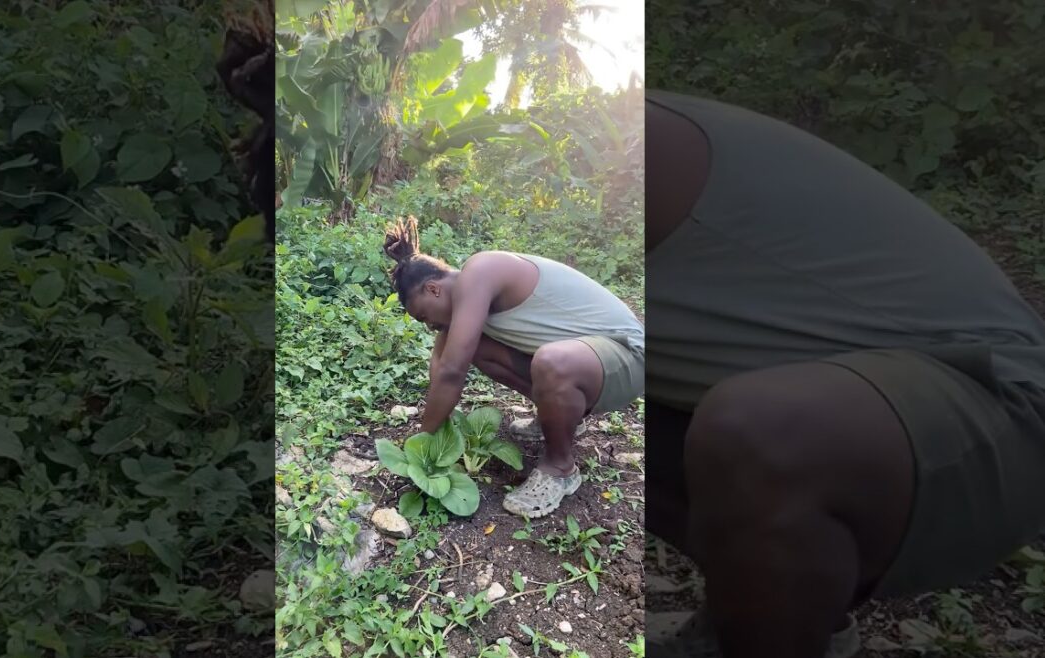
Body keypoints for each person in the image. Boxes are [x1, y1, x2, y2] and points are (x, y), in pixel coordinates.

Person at [648, 88, 1045, 658]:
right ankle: (769, 614)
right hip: (850, 399)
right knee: (573, 378)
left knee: (761, 429)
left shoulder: (628, 150)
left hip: (997, 407)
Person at [381, 216, 643, 518]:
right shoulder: (464, 309)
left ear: (433, 289)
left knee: (551, 361)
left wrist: (419, 446)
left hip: (628, 357)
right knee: (476, 347)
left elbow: (453, 372)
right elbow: (441, 370)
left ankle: (560, 468)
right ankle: (563, 417)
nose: (430, 326)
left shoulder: (481, 271)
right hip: (589, 362)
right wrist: (423, 449)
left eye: (424, 316)